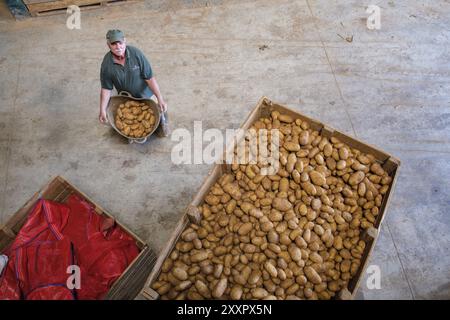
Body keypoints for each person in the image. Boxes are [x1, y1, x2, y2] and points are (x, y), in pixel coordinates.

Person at [98, 29, 169, 137]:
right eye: (114, 44)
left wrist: (160, 98)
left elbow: (150, 78)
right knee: (120, 118)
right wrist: (102, 110)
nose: (118, 47)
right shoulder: (106, 64)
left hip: (145, 95)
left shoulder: (136, 54)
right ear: (108, 45)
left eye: (120, 42)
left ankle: (162, 122)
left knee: (159, 113)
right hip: (126, 99)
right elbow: (106, 89)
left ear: (125, 41)